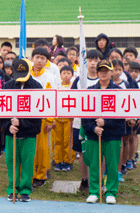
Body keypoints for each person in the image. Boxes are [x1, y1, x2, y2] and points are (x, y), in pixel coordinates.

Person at [82, 60, 126, 205]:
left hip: (112, 135)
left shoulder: (118, 91)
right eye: (101, 70)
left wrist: (105, 122)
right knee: (95, 164)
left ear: (111, 72)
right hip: (94, 135)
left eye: (106, 71)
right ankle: (94, 191)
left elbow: (120, 118)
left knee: (112, 164)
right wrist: (93, 128)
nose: (103, 73)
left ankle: (111, 192)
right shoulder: (90, 91)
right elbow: (85, 116)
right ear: (97, 72)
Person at [1, 59, 42, 202]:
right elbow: (1, 111)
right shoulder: (8, 86)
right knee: (12, 161)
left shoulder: (37, 87)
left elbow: (38, 117)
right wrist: (8, 126)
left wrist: (22, 123)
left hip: (29, 134)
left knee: (27, 162)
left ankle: (25, 190)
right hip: (10, 133)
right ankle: (12, 189)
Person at [71, 50, 102, 192]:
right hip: (80, 122)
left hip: (99, 122)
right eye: (90, 60)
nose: (93, 63)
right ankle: (84, 180)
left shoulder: (104, 80)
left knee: (100, 151)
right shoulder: (79, 80)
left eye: (96, 60)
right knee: (82, 151)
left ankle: (99, 181)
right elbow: (71, 99)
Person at [30, 47, 58, 188]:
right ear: (32, 58)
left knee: (42, 148)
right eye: (37, 57)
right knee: (29, 147)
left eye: (43, 58)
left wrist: (50, 119)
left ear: (47, 61)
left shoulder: (50, 77)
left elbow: (52, 99)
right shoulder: (26, 75)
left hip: (42, 118)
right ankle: (29, 173)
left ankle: (41, 175)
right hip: (28, 117)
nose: (39, 60)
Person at [53, 65, 74, 172]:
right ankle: (58, 161)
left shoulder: (73, 87)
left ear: (72, 75)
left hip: (68, 119)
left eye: (68, 73)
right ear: (60, 75)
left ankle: (67, 161)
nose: (66, 75)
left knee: (68, 140)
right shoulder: (57, 86)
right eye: (64, 73)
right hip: (58, 118)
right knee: (58, 140)